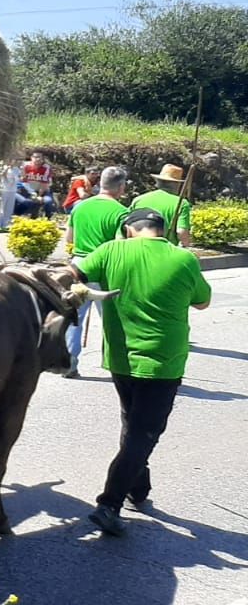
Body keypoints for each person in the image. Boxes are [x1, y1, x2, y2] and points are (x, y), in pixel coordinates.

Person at [72, 207, 212, 537]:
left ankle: (139, 488)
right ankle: (109, 503)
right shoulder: (184, 259)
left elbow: (73, 271)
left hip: (120, 360)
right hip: (163, 363)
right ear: (159, 229)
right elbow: (203, 302)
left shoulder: (109, 250)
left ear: (130, 229)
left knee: (133, 424)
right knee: (143, 434)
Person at [61, 166, 129, 377]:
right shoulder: (121, 212)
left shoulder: (80, 207)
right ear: (121, 186)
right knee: (112, 321)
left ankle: (69, 364)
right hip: (104, 271)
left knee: (75, 318)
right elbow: (120, 245)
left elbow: (69, 239)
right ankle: (116, 365)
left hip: (78, 268)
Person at [131, 163, 194, 247]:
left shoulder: (138, 200)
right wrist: (185, 247)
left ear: (157, 182)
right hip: (165, 250)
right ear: (177, 184)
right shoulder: (181, 203)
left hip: (138, 248)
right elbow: (181, 232)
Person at [21, 150, 56, 216]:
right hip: (28, 191)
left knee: (48, 201)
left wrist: (39, 196)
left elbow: (44, 184)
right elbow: (23, 181)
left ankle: (48, 218)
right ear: (31, 158)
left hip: (43, 192)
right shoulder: (25, 166)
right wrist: (32, 194)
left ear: (43, 159)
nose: (37, 159)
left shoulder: (46, 168)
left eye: (40, 157)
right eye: (35, 157)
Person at [0, 158, 23, 230]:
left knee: (9, 209)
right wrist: (6, 169)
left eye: (13, 160)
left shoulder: (16, 169)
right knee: (1, 208)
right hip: (3, 190)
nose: (12, 161)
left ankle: (5, 225)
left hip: (12, 190)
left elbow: (20, 178)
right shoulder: (2, 167)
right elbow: (1, 176)